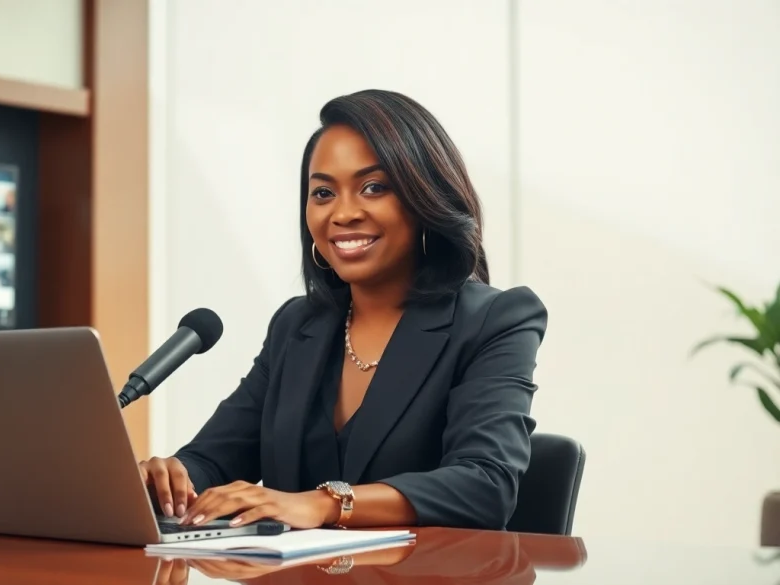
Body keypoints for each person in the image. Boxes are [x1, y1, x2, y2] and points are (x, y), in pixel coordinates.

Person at [138, 90, 548, 531]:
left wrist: (328, 503)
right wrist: (171, 480)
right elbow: (214, 459)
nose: (343, 213)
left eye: (373, 187)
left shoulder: (496, 320)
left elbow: (485, 485)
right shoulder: (297, 326)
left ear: (425, 197)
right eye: (323, 192)